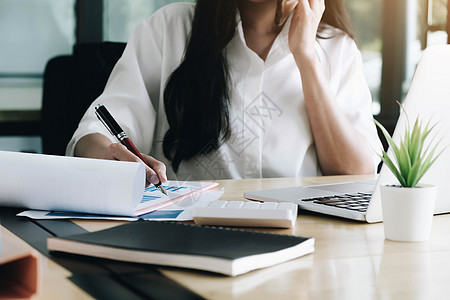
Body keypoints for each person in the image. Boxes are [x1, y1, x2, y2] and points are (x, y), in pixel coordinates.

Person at [67, 0, 381, 187]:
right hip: (186, 238)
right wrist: (108, 156)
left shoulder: (336, 48)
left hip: (306, 241)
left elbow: (357, 174)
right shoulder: (169, 29)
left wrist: (306, 57)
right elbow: (97, 134)